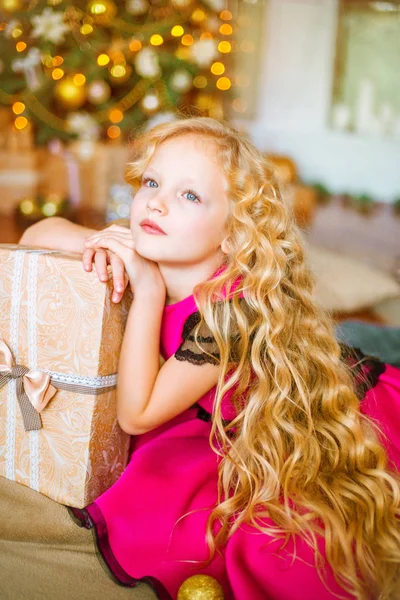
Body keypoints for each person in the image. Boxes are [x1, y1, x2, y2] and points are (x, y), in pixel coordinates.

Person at [20, 117, 400, 600]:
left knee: (290, 550)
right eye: (152, 183)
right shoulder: (159, 240)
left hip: (295, 421)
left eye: (190, 196)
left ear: (231, 234)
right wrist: (103, 245)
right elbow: (39, 232)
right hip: (200, 414)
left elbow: (136, 414)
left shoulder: (227, 315)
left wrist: (150, 288)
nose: (156, 202)